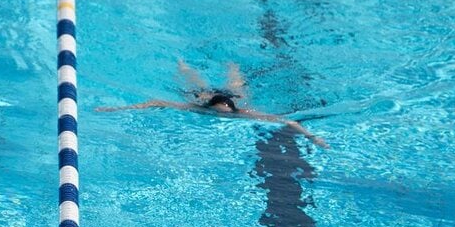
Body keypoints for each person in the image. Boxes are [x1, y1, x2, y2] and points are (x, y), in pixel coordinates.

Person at [96, 60, 329, 148]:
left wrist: (312, 137)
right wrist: (118, 109)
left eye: (224, 115)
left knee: (237, 86)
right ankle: (182, 63)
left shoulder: (242, 111)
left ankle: (232, 65)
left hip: (232, 96)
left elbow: (285, 120)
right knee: (195, 85)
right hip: (209, 97)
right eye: (218, 114)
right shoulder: (200, 106)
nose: (222, 118)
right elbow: (157, 102)